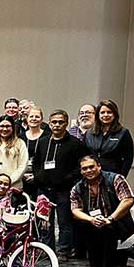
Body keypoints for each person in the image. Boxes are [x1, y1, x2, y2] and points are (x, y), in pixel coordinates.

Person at [70, 155, 134, 267]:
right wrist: (90, 219)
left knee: (108, 229)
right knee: (95, 263)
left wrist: (110, 218)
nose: (88, 171)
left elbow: (128, 200)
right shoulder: (78, 187)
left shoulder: (115, 179)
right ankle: (130, 252)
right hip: (94, 223)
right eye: (84, 169)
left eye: (91, 167)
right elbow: (75, 210)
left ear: (99, 166)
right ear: (81, 171)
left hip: (118, 222)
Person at [32, 110, 89, 257]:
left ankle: (64, 250)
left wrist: (66, 179)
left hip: (65, 190)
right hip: (44, 189)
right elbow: (36, 162)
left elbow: (80, 166)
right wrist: (39, 177)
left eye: (60, 122)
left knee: (64, 221)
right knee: (44, 220)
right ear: (49, 124)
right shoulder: (44, 141)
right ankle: (46, 249)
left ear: (66, 123)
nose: (57, 125)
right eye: (54, 122)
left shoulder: (75, 144)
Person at [85, 100, 134, 177]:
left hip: (112, 175)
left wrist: (121, 176)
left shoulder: (123, 133)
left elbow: (128, 159)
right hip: (92, 174)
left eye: (109, 112)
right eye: (102, 112)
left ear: (115, 114)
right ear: (98, 115)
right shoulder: (89, 133)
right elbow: (85, 155)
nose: (106, 115)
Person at [21, 106, 51, 198]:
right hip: (22, 178)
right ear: (27, 119)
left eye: (37, 117)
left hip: (42, 180)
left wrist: (36, 176)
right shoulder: (20, 137)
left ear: (42, 120)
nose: (34, 119)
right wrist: (22, 174)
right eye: (31, 116)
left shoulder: (48, 137)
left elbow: (48, 159)